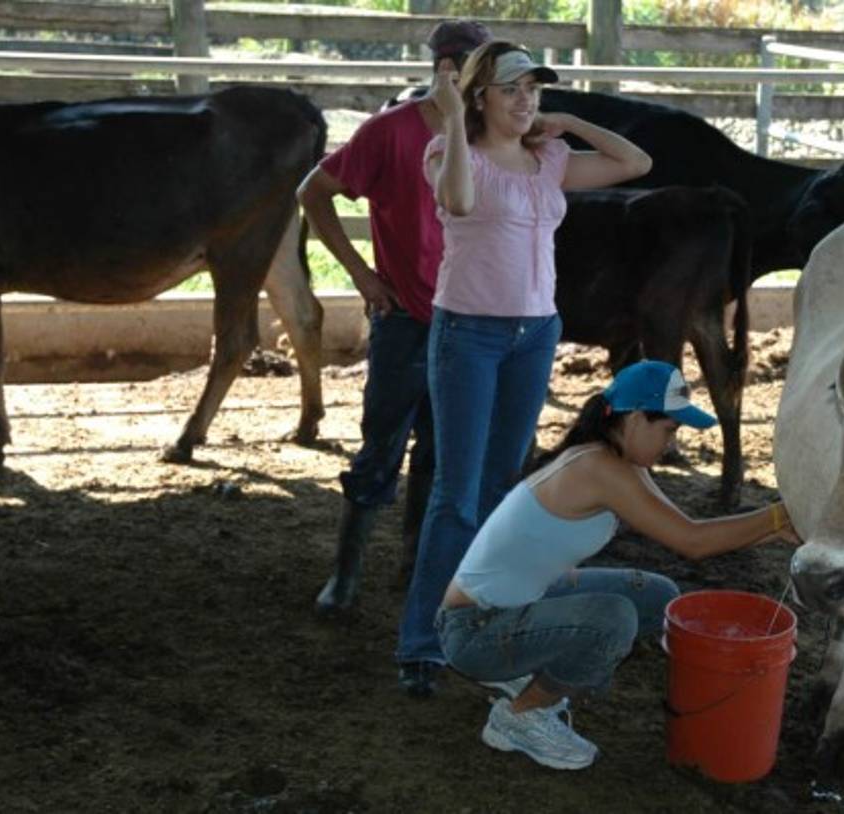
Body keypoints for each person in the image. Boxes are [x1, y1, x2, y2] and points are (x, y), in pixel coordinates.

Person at [394, 41, 654, 697]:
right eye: (511, 89)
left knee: (504, 483)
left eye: (533, 90)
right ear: (480, 95)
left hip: (535, 333)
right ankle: (422, 641)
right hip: (469, 333)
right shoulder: (452, 153)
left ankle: (485, 618)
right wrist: (451, 120)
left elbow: (635, 161)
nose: (526, 100)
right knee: (456, 491)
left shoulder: (548, 159)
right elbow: (455, 201)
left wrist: (569, 123)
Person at [437, 360, 800, 770]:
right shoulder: (599, 468)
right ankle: (520, 717)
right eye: (669, 429)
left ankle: (529, 664)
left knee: (657, 596)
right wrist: (776, 515)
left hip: (512, 605)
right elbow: (692, 542)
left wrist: (776, 529)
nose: (671, 442)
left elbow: (691, 529)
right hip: (474, 630)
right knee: (613, 619)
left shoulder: (618, 460)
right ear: (634, 418)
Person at [297, 20, 492, 619]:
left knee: (442, 450)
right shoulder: (390, 133)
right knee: (382, 446)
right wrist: (360, 272)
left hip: (469, 318)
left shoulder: (490, 137)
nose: (475, 85)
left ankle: (417, 567)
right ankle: (346, 574)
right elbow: (314, 190)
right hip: (406, 316)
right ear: (443, 69)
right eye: (468, 70)